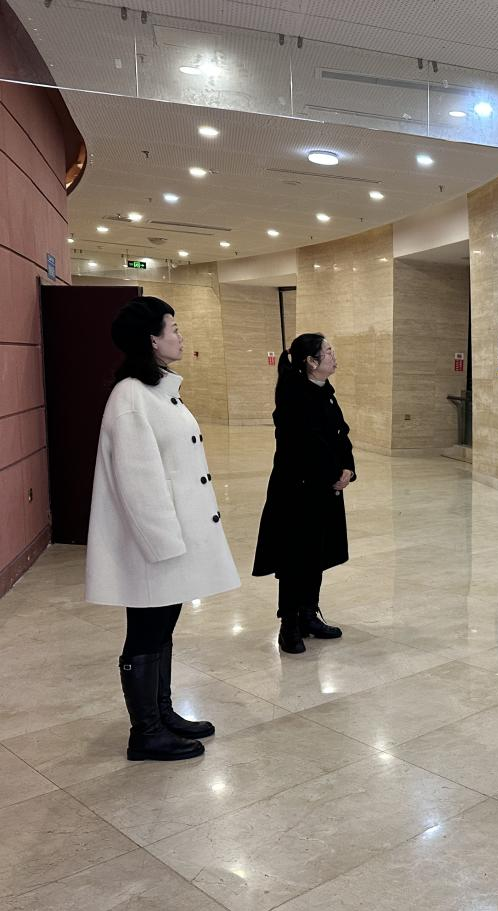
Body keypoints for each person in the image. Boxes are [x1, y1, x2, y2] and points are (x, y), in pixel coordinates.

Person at [85, 296, 240, 761]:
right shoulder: (131, 396)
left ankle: (162, 712)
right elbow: (139, 485)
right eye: (174, 328)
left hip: (170, 542)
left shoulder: (155, 390)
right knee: (146, 631)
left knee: (161, 628)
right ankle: (146, 732)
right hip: (155, 546)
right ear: (152, 339)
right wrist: (164, 548)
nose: (180, 336)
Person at [252, 334, 355, 655]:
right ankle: (289, 624)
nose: (333, 356)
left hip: (324, 490)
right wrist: (332, 475)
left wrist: (347, 468)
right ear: (311, 361)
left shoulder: (325, 391)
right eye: (328, 351)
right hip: (297, 493)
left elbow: (340, 434)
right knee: (295, 559)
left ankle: (309, 614)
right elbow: (303, 445)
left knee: (316, 555)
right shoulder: (293, 395)